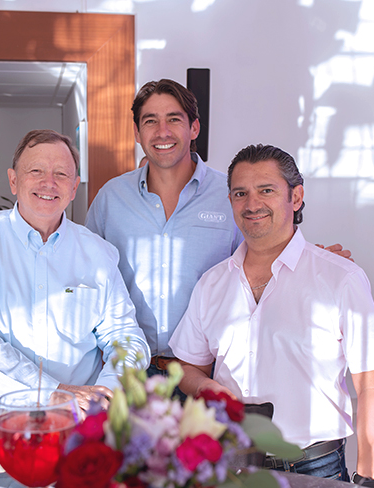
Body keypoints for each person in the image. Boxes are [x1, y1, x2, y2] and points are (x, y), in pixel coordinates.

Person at [168, 144, 374, 486]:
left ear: (296, 197)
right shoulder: (211, 283)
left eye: (266, 190)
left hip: (314, 466)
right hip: (233, 462)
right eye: (240, 193)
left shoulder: (340, 278)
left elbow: (370, 386)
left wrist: (368, 480)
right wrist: (206, 385)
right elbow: (188, 367)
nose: (252, 204)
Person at [86, 79, 351, 376]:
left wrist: (314, 264)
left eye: (174, 119)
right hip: (127, 371)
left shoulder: (233, 195)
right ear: (137, 132)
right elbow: (87, 274)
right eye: (150, 121)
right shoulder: (111, 198)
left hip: (208, 370)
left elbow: (266, 256)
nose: (162, 132)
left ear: (194, 128)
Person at [0, 129, 150, 450]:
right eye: (36, 170)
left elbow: (127, 338)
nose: (48, 182)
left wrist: (102, 396)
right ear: (13, 181)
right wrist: (52, 392)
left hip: (73, 432)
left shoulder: (99, 253)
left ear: (74, 188)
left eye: (61, 174)